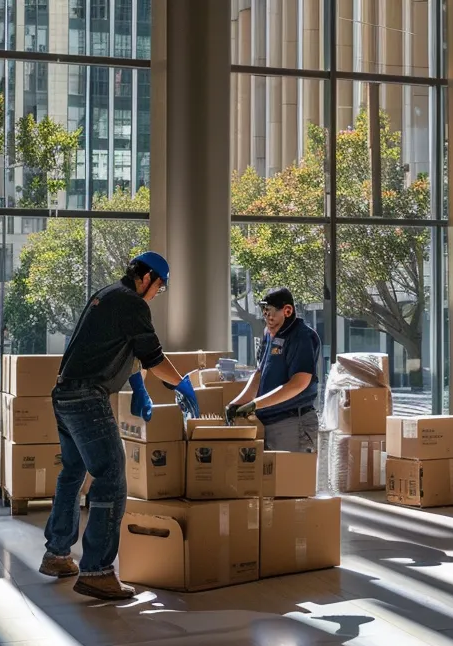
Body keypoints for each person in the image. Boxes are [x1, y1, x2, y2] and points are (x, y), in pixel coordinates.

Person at [41, 251, 199, 600]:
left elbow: (120, 351)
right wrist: (181, 384)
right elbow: (154, 357)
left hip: (64, 393)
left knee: (72, 472)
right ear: (147, 278)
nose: (158, 293)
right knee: (111, 475)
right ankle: (97, 571)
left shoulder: (107, 295)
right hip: (87, 397)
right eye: (160, 286)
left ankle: (57, 554)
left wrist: (139, 388)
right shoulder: (133, 304)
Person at [226, 288, 322, 453]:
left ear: (287, 311)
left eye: (270, 312)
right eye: (264, 313)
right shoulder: (269, 334)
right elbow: (259, 374)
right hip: (268, 422)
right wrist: (237, 403)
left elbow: (299, 383)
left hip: (293, 422)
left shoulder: (302, 337)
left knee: (290, 477)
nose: (266, 318)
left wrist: (256, 404)